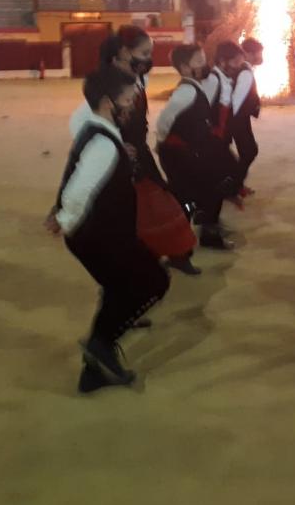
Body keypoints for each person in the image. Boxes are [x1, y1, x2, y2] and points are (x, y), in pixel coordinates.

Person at [49, 68, 171, 393]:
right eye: (127, 99)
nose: (132, 105)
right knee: (154, 282)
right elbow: (78, 190)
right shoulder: (103, 145)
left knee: (121, 288)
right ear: (107, 102)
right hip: (98, 236)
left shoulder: (95, 129)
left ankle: (94, 371)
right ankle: (100, 345)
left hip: (97, 234)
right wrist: (65, 220)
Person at [68, 26, 201, 276]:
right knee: (131, 217)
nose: (148, 58)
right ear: (122, 53)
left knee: (165, 203)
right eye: (143, 52)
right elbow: (80, 122)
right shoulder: (104, 83)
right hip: (120, 161)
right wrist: (113, 144)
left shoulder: (139, 77)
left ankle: (177, 254)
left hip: (140, 152)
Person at [157, 44, 238, 251]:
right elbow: (164, 121)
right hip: (178, 154)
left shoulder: (195, 86)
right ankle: (179, 242)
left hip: (188, 151)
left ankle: (201, 232)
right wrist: (162, 142)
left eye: (204, 59)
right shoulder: (185, 92)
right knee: (196, 194)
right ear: (184, 67)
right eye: (199, 61)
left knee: (207, 191)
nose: (205, 65)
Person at [230, 37, 264, 196]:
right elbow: (236, 100)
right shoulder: (244, 73)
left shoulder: (244, 69)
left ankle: (236, 184)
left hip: (240, 119)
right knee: (249, 151)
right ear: (249, 54)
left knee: (248, 151)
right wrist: (232, 123)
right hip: (238, 120)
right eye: (259, 53)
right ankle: (233, 186)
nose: (261, 57)